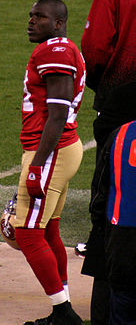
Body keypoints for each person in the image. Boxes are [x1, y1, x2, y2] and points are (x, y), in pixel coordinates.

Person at [14, 0, 86, 325]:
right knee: (49, 230)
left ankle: (63, 313)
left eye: (39, 17)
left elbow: (56, 115)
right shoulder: (62, 48)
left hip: (51, 151)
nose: (31, 21)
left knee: (27, 233)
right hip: (62, 148)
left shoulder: (54, 51)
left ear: (58, 23)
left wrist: (37, 165)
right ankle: (63, 306)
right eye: (31, 15)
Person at [79, 0, 136, 323]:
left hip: (119, 109)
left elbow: (95, 48)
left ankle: (106, 312)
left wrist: (109, 90)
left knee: (108, 209)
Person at [85, 120, 136, 324]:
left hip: (122, 240)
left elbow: (99, 192)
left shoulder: (121, 133)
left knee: (122, 309)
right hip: (122, 238)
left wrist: (101, 229)